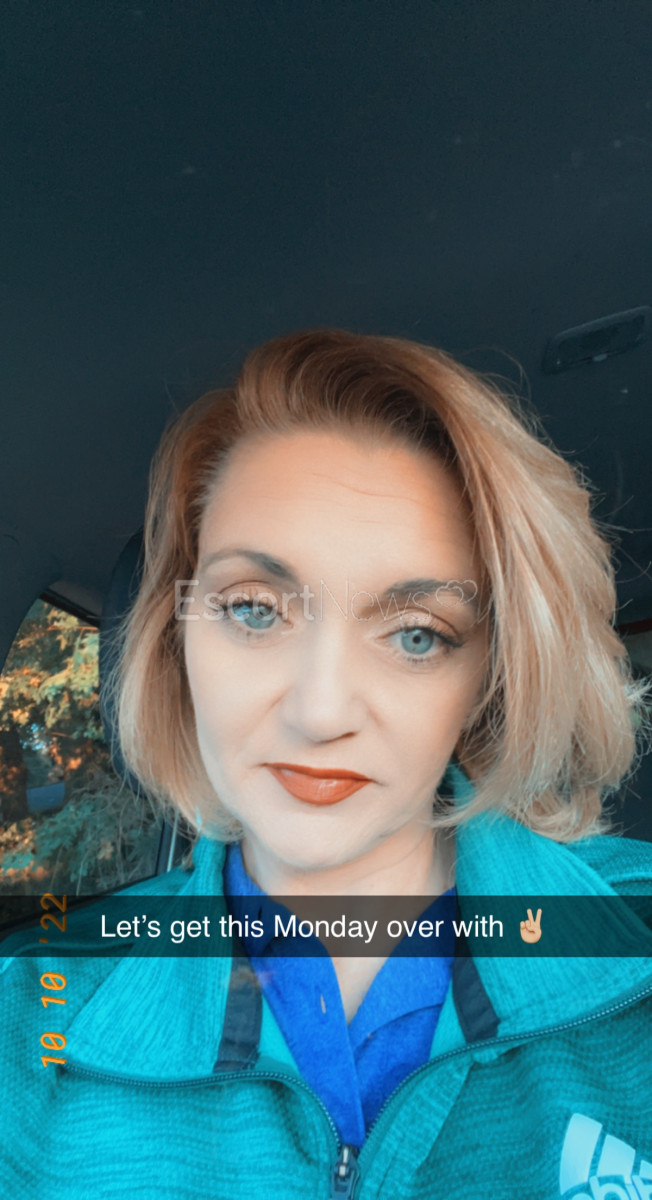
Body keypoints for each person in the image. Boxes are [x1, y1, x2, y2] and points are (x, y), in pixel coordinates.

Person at [2, 328, 652, 1200]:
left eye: (416, 634)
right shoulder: (32, 1015)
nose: (320, 712)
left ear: (489, 678)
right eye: (254, 610)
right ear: (175, 639)